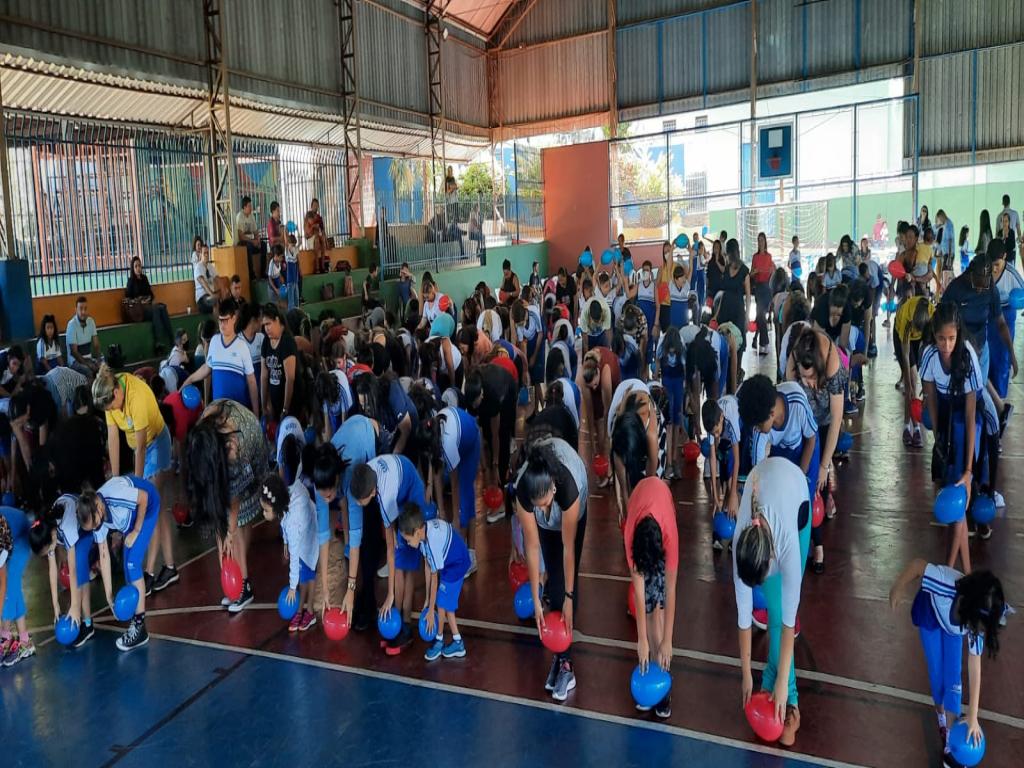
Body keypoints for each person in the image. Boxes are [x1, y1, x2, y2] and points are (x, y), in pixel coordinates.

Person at [889, 560, 1004, 763]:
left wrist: (973, 716)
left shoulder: (975, 621)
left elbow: (975, 665)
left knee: (953, 678)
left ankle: (950, 738)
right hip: (930, 614)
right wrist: (897, 587)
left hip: (954, 626)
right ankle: (941, 718)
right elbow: (916, 565)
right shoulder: (943, 583)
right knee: (937, 674)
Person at [733, 457, 811, 747]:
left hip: (796, 496)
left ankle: (789, 700)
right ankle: (773, 686)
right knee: (774, 609)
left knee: (780, 613)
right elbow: (743, 618)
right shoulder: (742, 549)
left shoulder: (787, 550)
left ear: (771, 560)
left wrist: (781, 687)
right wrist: (745, 675)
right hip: (765, 482)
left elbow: (790, 623)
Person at [91, 364, 177, 594]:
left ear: (117, 394)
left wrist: (132, 488)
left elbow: (140, 449)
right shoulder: (108, 392)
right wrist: (115, 482)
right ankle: (170, 567)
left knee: (150, 507)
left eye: (111, 406)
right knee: (160, 511)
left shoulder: (136, 395)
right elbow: (113, 439)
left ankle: (148, 572)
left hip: (156, 444)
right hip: (139, 448)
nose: (111, 411)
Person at [515, 435, 588, 702]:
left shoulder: (568, 487)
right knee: (552, 582)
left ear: (553, 489)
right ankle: (560, 656)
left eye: (545, 503)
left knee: (565, 583)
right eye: (538, 506)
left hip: (573, 508)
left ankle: (567, 664)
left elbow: (568, 549)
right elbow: (532, 548)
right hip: (546, 519)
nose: (543, 508)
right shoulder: (525, 491)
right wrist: (536, 599)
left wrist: (569, 598)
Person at [186, 399, 269, 612]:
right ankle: (232, 585)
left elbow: (234, 501)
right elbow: (215, 503)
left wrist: (230, 534)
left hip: (251, 449)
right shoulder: (201, 437)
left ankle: (244, 585)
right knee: (221, 526)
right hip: (225, 454)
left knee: (238, 522)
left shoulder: (235, 450)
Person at [920, 302, 984, 568]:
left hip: (968, 413)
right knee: (956, 498)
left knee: (961, 486)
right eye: (941, 339)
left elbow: (970, 416)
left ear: (958, 334)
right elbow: (931, 399)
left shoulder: (967, 356)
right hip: (946, 413)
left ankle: (947, 568)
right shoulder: (929, 356)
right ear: (934, 337)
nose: (946, 345)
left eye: (951, 338)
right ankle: (965, 572)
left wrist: (969, 470)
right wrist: (937, 439)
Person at [350, 454, 430, 655]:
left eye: (362, 501)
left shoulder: (385, 497)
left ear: (373, 492)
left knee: (407, 562)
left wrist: (390, 594)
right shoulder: (364, 473)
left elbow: (390, 551)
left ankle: (405, 625)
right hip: (400, 481)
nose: (360, 505)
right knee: (400, 555)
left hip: (411, 491)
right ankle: (398, 617)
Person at [77, 475, 161, 651]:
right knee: (126, 568)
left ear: (99, 507)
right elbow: (104, 554)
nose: (95, 529)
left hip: (148, 506)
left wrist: (137, 530)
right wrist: (109, 595)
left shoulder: (115, 494)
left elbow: (144, 497)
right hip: (131, 519)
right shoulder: (97, 518)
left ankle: (140, 627)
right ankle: (137, 622)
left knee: (132, 564)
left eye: (94, 525)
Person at [623, 477, 678, 718]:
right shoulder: (630, 536)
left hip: (660, 497)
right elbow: (638, 591)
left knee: (660, 609)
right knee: (648, 607)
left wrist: (667, 640)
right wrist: (641, 640)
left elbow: (670, 591)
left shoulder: (669, 535)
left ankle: (664, 683)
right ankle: (651, 669)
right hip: (640, 495)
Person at [398, 502, 471, 661]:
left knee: (445, 605)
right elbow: (428, 565)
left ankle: (456, 642)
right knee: (442, 602)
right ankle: (441, 639)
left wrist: (431, 610)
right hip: (449, 561)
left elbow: (434, 578)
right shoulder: (424, 533)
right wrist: (426, 601)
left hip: (457, 564)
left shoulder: (432, 541)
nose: (409, 544)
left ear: (417, 532)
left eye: (408, 540)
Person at [27, 494, 97, 648]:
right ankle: (85, 621)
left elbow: (72, 570)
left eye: (48, 551)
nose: (49, 554)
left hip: (86, 526)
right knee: (75, 571)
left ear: (52, 537)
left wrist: (74, 606)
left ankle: (87, 625)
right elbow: (53, 570)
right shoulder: (47, 530)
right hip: (72, 528)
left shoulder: (66, 528)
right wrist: (55, 605)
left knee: (80, 571)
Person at [260, 471, 318, 632]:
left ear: (275, 506)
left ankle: (310, 611)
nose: (263, 513)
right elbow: (283, 520)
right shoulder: (284, 502)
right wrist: (285, 542)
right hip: (302, 529)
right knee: (304, 572)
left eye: (265, 510)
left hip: (310, 534)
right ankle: (300, 609)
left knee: (308, 573)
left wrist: (292, 587)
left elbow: (293, 559)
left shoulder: (293, 523)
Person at [181, 298, 259, 413]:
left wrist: (256, 413)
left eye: (225, 320)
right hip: (218, 410)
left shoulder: (242, 346)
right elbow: (207, 368)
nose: (222, 324)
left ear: (234, 318)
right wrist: (189, 379)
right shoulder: (214, 341)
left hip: (237, 411)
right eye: (220, 320)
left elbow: (251, 382)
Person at [0, 505, 33, 666]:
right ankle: (24, 640)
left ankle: (7, 638)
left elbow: (3, 587)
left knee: (11, 584)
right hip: (11, 534)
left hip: (22, 535)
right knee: (14, 586)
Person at [261, 303, 299, 424]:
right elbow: (264, 376)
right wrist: (264, 405)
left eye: (268, 324)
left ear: (277, 320)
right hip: (274, 403)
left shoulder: (287, 342)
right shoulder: (266, 341)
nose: (266, 328)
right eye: (264, 325)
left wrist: (285, 409)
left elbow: (290, 379)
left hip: (291, 404)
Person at [125, 256, 174, 346]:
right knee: (156, 309)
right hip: (139, 311)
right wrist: (139, 301)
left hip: (148, 306)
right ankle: (158, 341)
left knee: (162, 308)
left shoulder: (144, 279)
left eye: (139, 266)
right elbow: (128, 298)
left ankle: (171, 338)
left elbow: (151, 295)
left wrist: (147, 299)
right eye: (135, 266)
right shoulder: (131, 281)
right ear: (132, 268)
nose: (138, 268)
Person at [66, 296, 100, 379]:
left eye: (85, 308)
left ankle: (99, 391)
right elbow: (74, 352)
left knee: (103, 369)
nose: (83, 312)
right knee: (88, 371)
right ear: (76, 310)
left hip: (88, 359)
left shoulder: (91, 321)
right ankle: (90, 392)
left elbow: (96, 345)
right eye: (80, 309)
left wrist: (99, 360)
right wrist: (88, 364)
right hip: (75, 362)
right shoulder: (72, 325)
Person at [751, 232, 774, 355]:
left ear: (765, 242)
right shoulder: (755, 257)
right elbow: (751, 274)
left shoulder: (769, 256)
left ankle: (762, 342)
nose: (761, 242)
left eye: (762, 240)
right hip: (759, 288)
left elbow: (772, 273)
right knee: (760, 315)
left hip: (767, 289)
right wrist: (754, 272)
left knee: (761, 315)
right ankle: (764, 342)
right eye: (759, 240)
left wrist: (771, 271)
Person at [236, 195, 266, 282]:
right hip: (242, 243)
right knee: (248, 246)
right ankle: (251, 275)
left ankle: (263, 273)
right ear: (244, 207)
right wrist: (253, 241)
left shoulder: (251, 216)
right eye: (249, 206)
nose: (251, 208)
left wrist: (258, 240)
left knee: (263, 245)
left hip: (251, 242)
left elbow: (256, 231)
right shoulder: (239, 217)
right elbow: (241, 236)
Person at [193, 240, 222, 314]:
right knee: (216, 301)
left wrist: (225, 290)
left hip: (210, 296)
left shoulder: (211, 267)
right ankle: (217, 324)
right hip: (202, 299)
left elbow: (218, 279)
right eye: (204, 253)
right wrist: (213, 295)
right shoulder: (198, 267)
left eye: (207, 253)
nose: (206, 255)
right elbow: (204, 284)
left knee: (224, 299)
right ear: (200, 254)